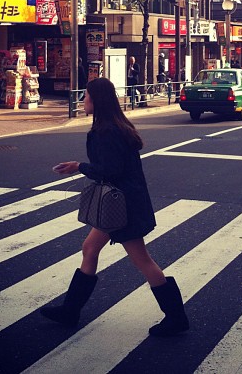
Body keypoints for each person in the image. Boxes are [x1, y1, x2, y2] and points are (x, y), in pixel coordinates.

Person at [41, 77, 189, 335]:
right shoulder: (116, 126)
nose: (82, 100)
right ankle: (70, 311)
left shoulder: (105, 132)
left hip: (122, 208)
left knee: (143, 260)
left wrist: (79, 167)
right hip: (122, 204)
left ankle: (176, 318)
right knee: (89, 247)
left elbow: (110, 170)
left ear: (96, 100)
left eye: (85, 95)